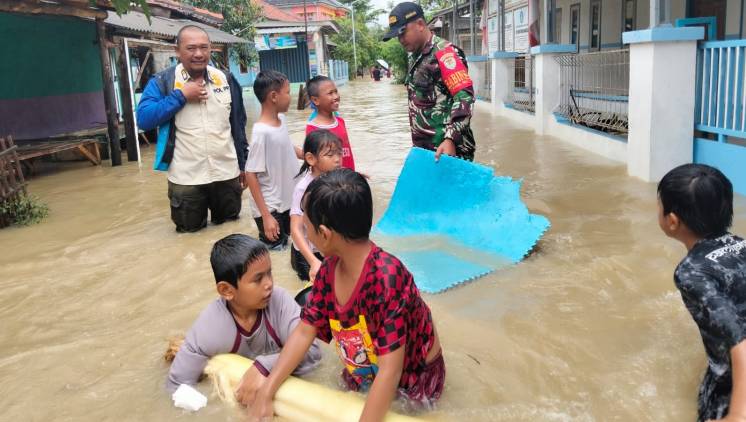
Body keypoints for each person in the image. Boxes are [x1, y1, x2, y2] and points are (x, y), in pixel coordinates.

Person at [250, 169, 445, 421]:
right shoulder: (327, 272)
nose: (304, 233)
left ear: (325, 234)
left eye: (306, 226)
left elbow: (391, 372)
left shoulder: (388, 279)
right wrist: (267, 391)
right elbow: (304, 331)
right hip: (366, 366)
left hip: (414, 376)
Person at [166, 234, 322, 404]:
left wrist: (264, 366)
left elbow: (312, 354)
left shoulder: (279, 301)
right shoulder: (212, 327)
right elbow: (177, 386)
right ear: (226, 290)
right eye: (258, 279)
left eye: (269, 273)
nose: (269, 283)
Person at [137, 25, 248, 233]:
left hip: (226, 173)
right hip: (186, 178)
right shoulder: (163, 82)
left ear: (210, 49)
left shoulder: (226, 79)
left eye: (203, 48)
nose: (198, 54)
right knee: (189, 238)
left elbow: (238, 125)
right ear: (177, 51)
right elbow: (144, 119)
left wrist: (244, 164)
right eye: (191, 48)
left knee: (231, 234)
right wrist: (181, 96)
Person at [657, 163, 746, 422]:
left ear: (672, 221)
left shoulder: (691, 272)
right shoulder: (742, 244)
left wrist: (738, 414)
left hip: (732, 385)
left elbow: (740, 339)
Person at [383, 2, 476, 162]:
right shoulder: (416, 57)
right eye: (397, 36)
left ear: (420, 24)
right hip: (427, 152)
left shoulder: (445, 53)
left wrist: (450, 138)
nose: (400, 40)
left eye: (403, 33)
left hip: (449, 152)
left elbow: (464, 97)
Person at [245, 70, 301, 251]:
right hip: (271, 208)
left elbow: (286, 148)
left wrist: (310, 156)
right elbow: (250, 174)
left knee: (290, 245)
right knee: (276, 251)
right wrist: (266, 216)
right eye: (288, 92)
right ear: (274, 96)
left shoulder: (281, 120)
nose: (290, 97)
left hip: (286, 202)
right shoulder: (261, 133)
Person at [290, 130, 342, 282]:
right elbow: (295, 228)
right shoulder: (303, 189)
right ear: (311, 159)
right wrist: (312, 261)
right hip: (307, 253)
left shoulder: (333, 177)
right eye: (330, 155)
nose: (337, 159)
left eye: (339, 153)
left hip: (325, 247)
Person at [305, 75, 356, 170]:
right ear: (315, 100)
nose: (336, 96)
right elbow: (315, 163)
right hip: (331, 182)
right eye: (330, 93)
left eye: (336, 92)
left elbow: (347, 153)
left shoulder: (340, 121)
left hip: (349, 177)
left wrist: (355, 175)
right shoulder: (312, 128)